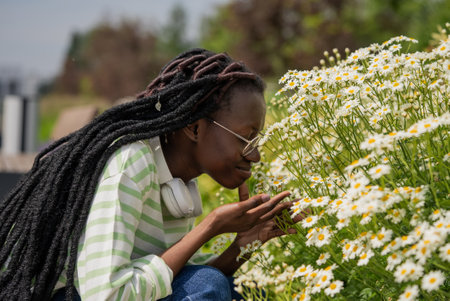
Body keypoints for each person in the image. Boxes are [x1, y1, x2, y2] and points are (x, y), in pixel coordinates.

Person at [0, 49, 304, 301]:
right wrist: (210, 226)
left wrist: (241, 245)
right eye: (246, 138)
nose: (255, 155)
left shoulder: (179, 176)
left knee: (244, 292)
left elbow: (170, 274)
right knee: (208, 287)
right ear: (195, 127)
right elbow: (104, 295)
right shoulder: (130, 165)